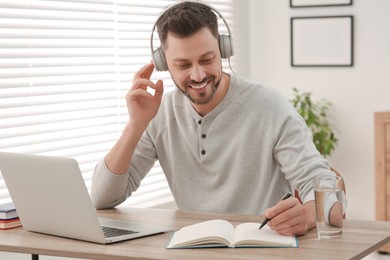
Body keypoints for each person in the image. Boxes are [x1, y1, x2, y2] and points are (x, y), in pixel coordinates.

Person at [91, 1, 342, 236]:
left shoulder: (270, 106)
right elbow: (102, 198)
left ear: (223, 50)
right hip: (196, 247)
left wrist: (309, 215)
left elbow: (325, 191)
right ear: (163, 63)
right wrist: (135, 125)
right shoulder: (160, 114)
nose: (198, 75)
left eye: (207, 59)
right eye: (183, 65)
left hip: (262, 247)